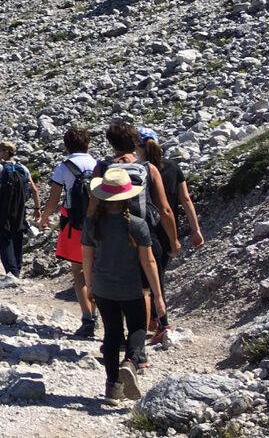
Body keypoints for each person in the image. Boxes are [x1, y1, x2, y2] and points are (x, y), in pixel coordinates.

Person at [88, 120, 180, 366]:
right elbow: (165, 209)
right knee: (144, 290)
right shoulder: (149, 168)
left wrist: (91, 234)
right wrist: (173, 240)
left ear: (111, 143)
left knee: (115, 286)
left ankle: (117, 340)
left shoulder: (103, 167)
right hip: (143, 234)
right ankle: (137, 349)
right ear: (135, 142)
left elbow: (94, 205)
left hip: (108, 236)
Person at [82, 167, 166, 406]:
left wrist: (89, 286)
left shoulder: (91, 224)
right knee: (138, 327)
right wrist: (158, 296)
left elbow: (86, 258)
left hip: (102, 287)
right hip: (131, 288)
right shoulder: (138, 225)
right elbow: (148, 262)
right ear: (128, 196)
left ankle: (112, 387)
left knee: (111, 334)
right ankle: (130, 362)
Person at [140, 132, 205, 345]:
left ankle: (163, 324)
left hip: (147, 232)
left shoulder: (139, 170)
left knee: (151, 282)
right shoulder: (174, 168)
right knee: (158, 276)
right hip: (169, 232)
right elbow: (185, 199)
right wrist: (195, 230)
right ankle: (154, 319)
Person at [37, 126, 100, 338]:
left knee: (79, 272)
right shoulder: (98, 164)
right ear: (88, 144)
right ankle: (100, 314)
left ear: (66, 146)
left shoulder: (63, 167)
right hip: (99, 224)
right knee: (98, 271)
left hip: (74, 225)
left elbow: (54, 199)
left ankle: (87, 320)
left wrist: (45, 217)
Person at [0, 141, 39, 283]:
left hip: (3, 208)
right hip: (20, 209)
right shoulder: (23, 168)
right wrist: (37, 208)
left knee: (4, 237)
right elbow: (34, 189)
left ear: (6, 152)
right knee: (17, 237)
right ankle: (17, 271)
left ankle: (11, 272)